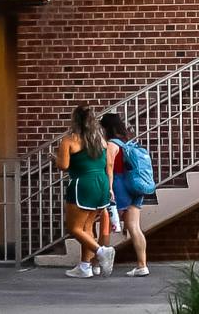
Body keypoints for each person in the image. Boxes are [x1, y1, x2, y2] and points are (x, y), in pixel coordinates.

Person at [55, 105, 115, 278]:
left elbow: (63, 166)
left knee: (74, 228)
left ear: (75, 121)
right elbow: (106, 164)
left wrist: (56, 158)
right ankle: (85, 266)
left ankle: (101, 252)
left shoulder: (69, 140)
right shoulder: (101, 140)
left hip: (83, 184)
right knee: (87, 227)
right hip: (101, 182)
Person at [101, 112, 154, 276]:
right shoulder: (127, 142)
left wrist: (109, 189)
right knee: (134, 227)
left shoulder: (111, 145)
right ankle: (142, 265)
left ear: (106, 128)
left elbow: (109, 168)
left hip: (120, 186)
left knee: (106, 225)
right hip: (135, 185)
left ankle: (96, 262)